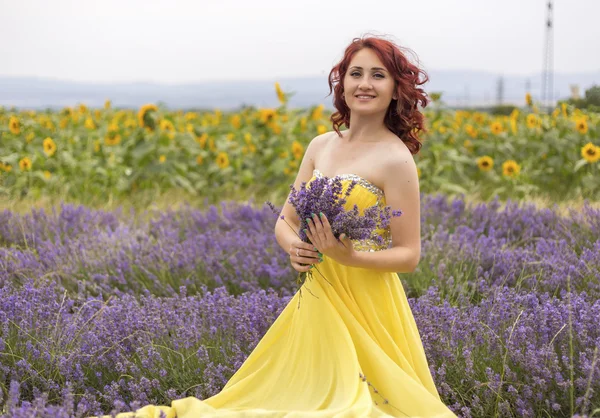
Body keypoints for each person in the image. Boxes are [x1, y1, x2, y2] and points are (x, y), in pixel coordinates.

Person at [102, 34, 457, 418]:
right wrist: (295, 247)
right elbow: (285, 220)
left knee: (356, 406)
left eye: (378, 75)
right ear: (342, 84)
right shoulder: (320, 146)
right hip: (320, 294)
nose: (364, 84)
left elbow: (409, 256)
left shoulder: (396, 159)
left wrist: (349, 256)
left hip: (369, 302)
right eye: (356, 73)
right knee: (295, 397)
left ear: (395, 89)